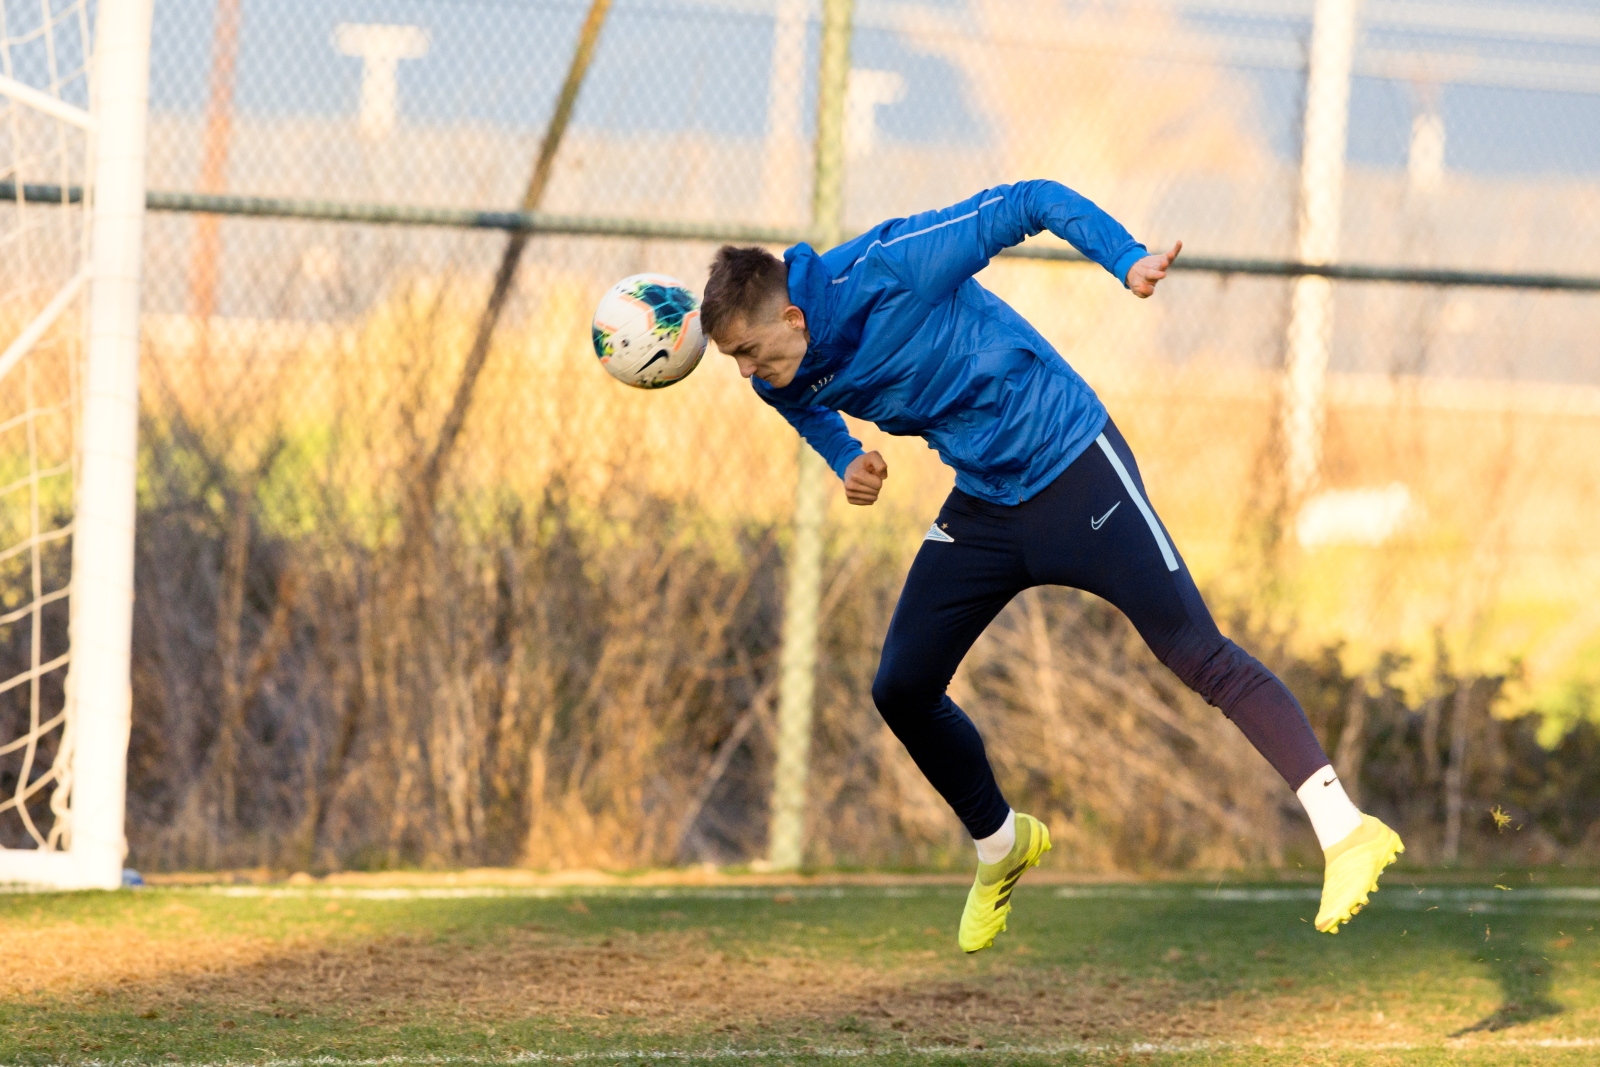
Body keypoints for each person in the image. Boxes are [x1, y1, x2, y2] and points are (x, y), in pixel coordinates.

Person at [698, 181, 1403, 953]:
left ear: (791, 316)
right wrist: (846, 458)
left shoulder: (889, 266)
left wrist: (1125, 258)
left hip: (1074, 465)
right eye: (736, 357)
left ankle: (1347, 830)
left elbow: (1027, 200)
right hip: (985, 505)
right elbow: (805, 406)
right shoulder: (782, 369)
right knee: (900, 685)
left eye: (748, 353)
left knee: (1197, 652)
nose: (744, 372)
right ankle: (1002, 844)